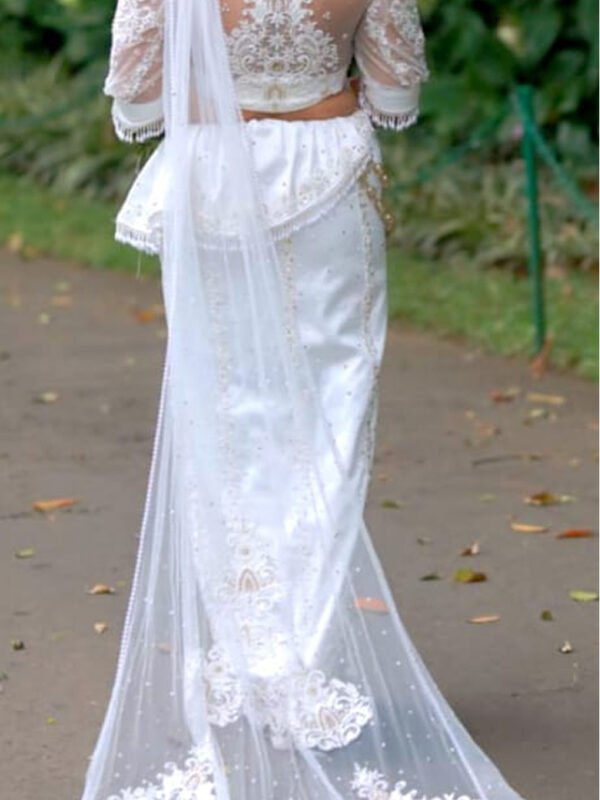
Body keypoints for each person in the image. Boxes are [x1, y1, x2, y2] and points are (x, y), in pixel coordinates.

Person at [80, 2, 527, 798]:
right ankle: (296, 661)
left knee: (226, 416)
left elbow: (139, 103)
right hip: (329, 179)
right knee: (330, 419)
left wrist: (231, 91)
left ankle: (250, 651)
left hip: (214, 182)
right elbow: (395, 93)